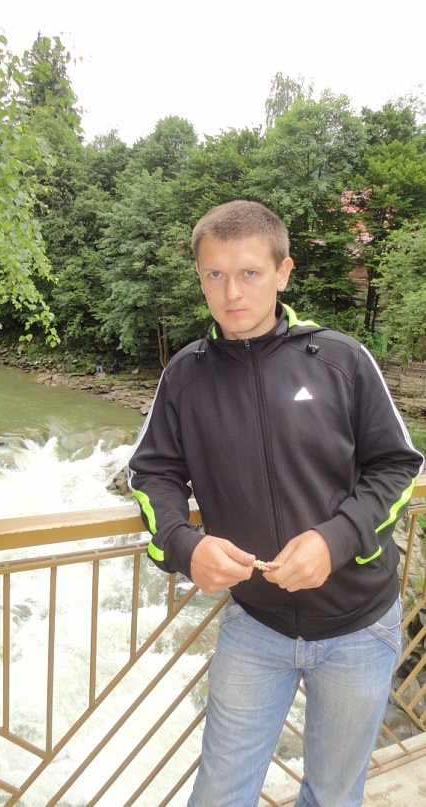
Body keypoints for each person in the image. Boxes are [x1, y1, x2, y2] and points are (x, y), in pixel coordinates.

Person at [128, 200, 424, 807]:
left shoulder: (341, 359)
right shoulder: (185, 375)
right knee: (219, 795)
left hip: (360, 624)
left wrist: (334, 540)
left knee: (332, 795)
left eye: (249, 273)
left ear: (283, 272)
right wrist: (183, 546)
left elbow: (398, 465)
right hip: (255, 623)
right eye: (214, 274)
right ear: (200, 278)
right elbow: (152, 471)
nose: (231, 292)